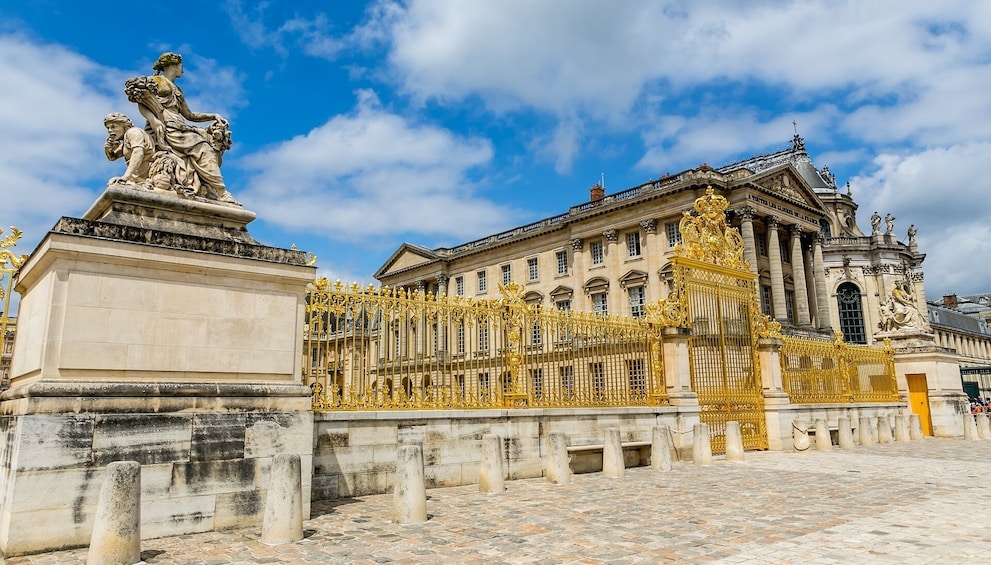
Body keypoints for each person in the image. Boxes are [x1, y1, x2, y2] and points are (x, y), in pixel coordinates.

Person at [126, 52, 238, 204]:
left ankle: (210, 188)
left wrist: (213, 116)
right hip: (166, 128)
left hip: (180, 126)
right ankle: (222, 192)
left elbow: (190, 115)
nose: (182, 70)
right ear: (173, 65)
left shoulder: (177, 90)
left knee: (210, 143)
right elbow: (141, 102)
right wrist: (152, 120)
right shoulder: (156, 81)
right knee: (204, 148)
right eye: (181, 66)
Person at [103, 113, 154, 185]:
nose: (110, 130)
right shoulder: (126, 140)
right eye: (108, 128)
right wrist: (108, 149)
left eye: (113, 127)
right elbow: (113, 157)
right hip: (136, 177)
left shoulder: (133, 132)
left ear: (124, 126)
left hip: (147, 175)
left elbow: (138, 152)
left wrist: (126, 177)